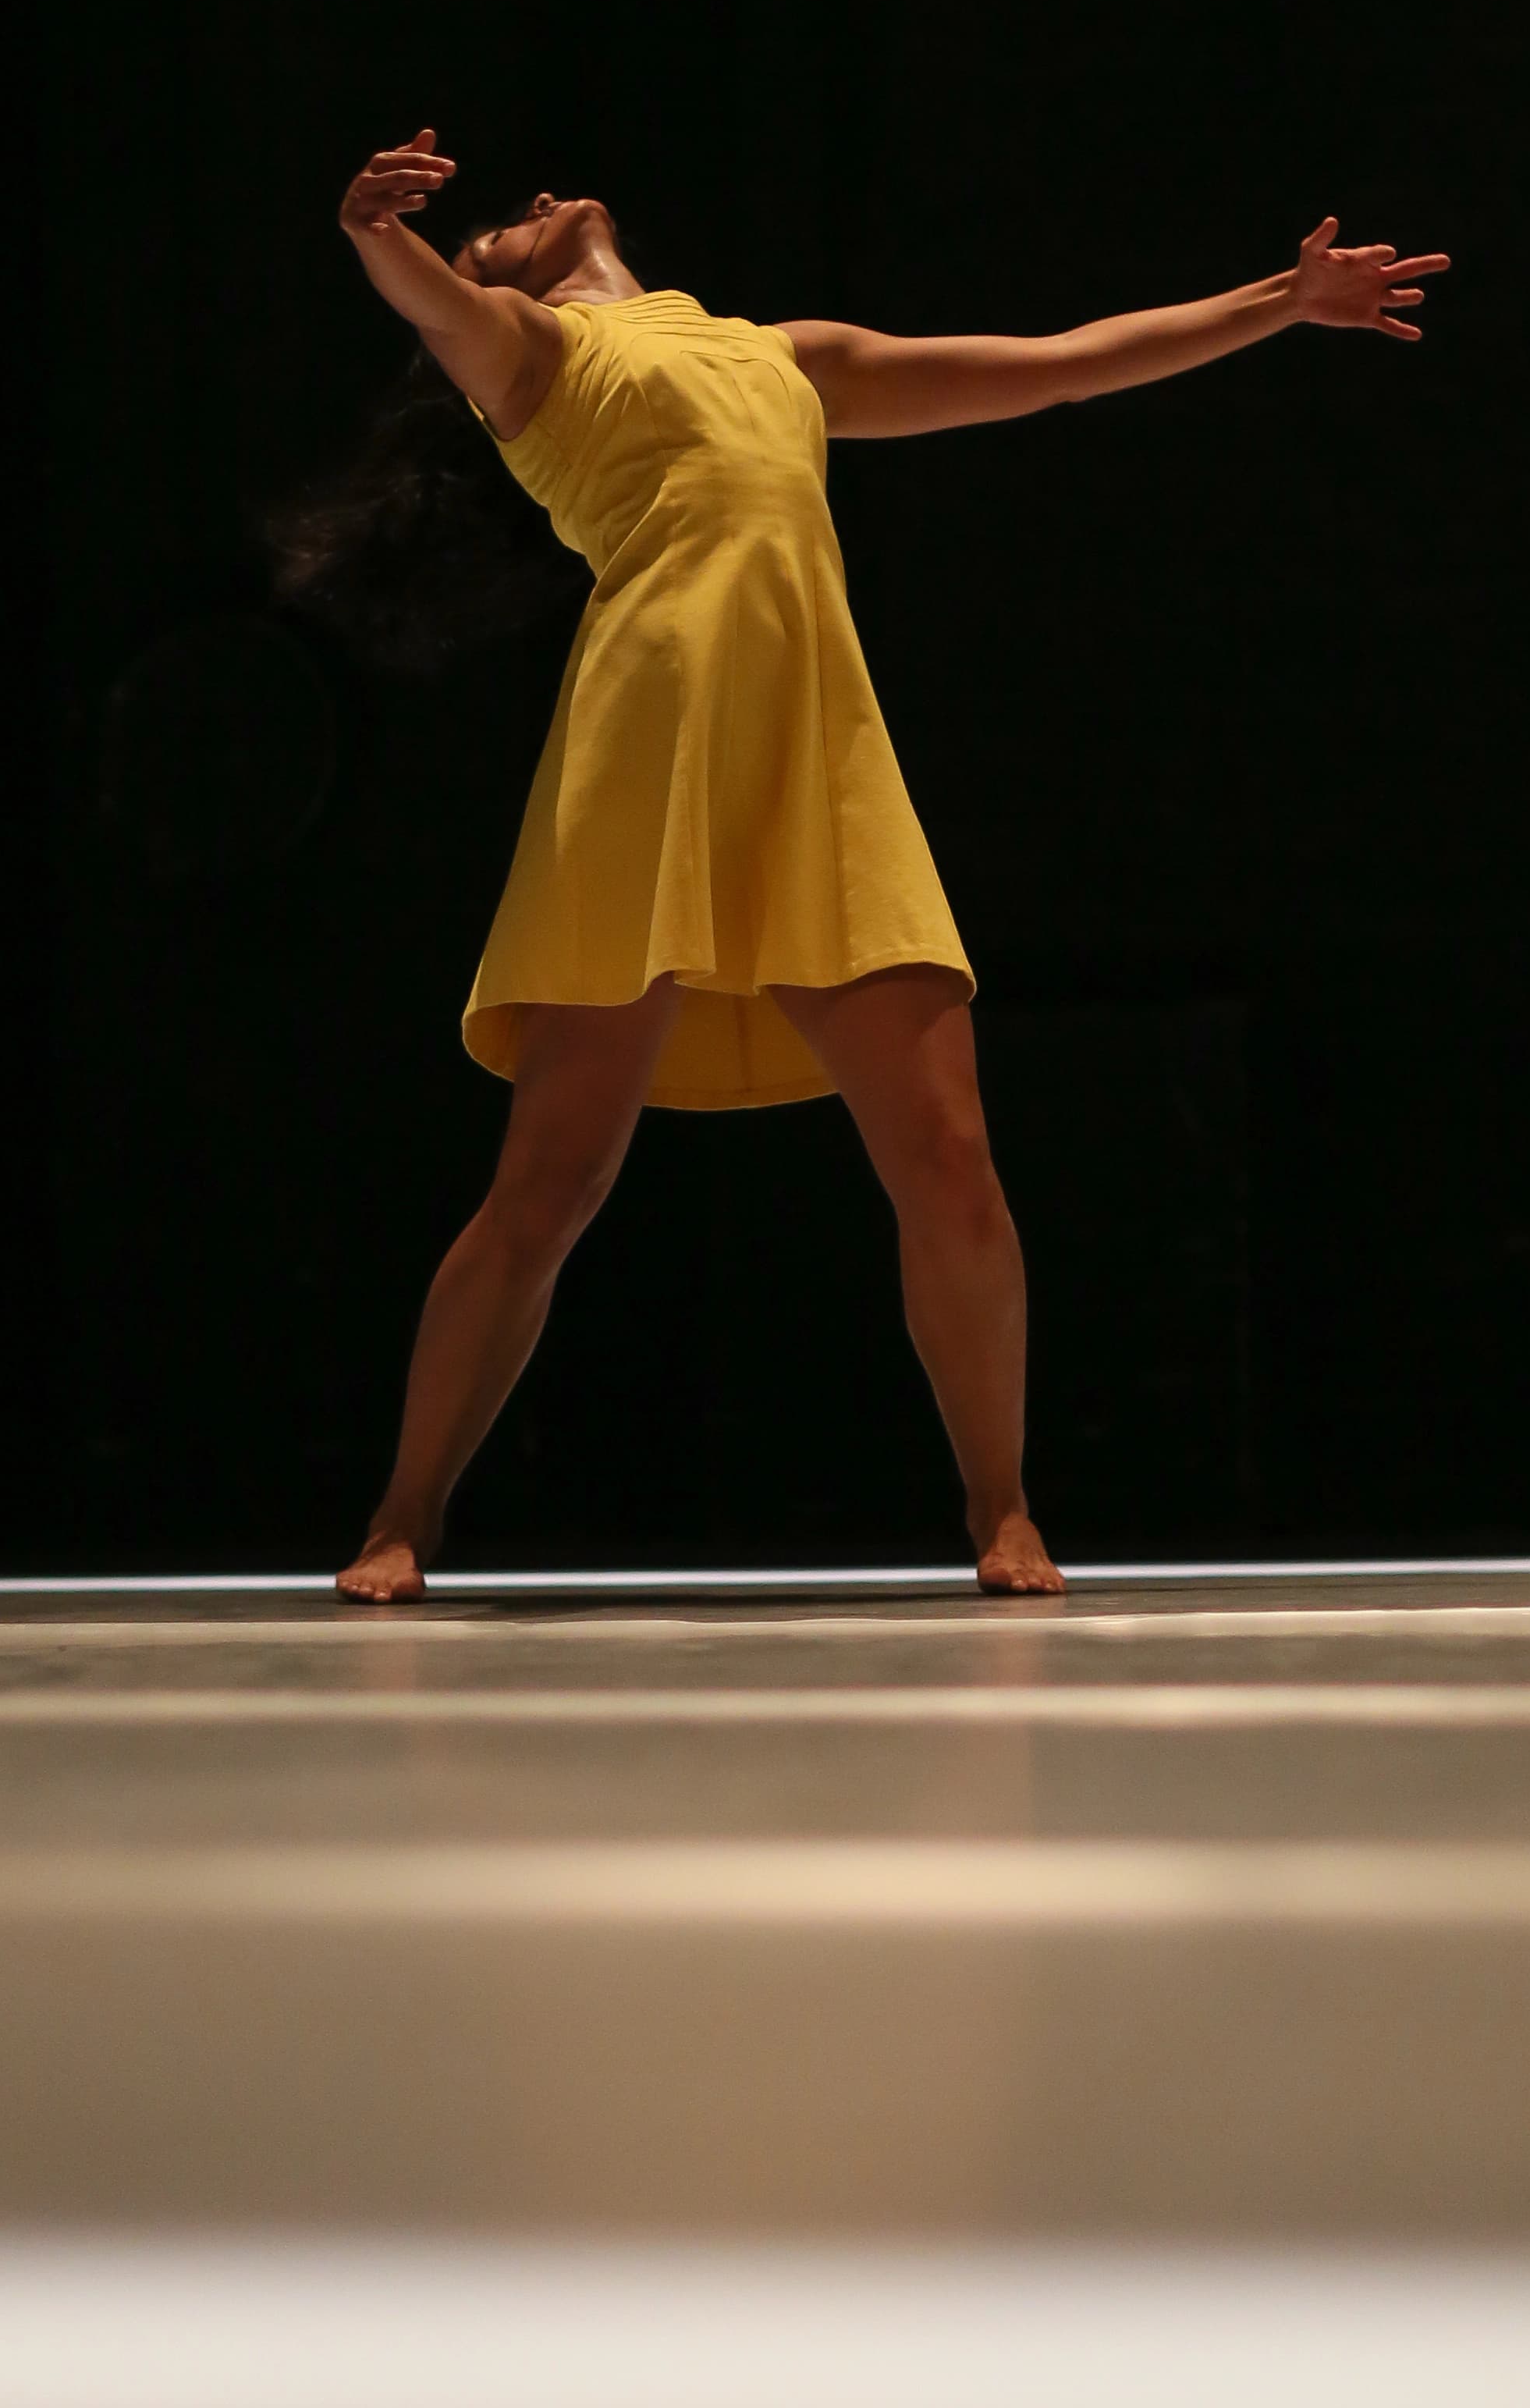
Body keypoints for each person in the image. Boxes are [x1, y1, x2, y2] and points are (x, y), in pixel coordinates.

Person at [314, 128, 1447, 1603]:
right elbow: (432, 304)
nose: (531, 207)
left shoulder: (782, 355)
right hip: (648, 762)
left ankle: (1003, 1508)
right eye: (498, 229)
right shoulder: (530, 353)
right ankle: (404, 1517)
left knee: (951, 1161)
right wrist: (372, 235)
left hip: (814, 762)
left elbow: (1055, 363)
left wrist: (1276, 306)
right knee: (551, 1184)